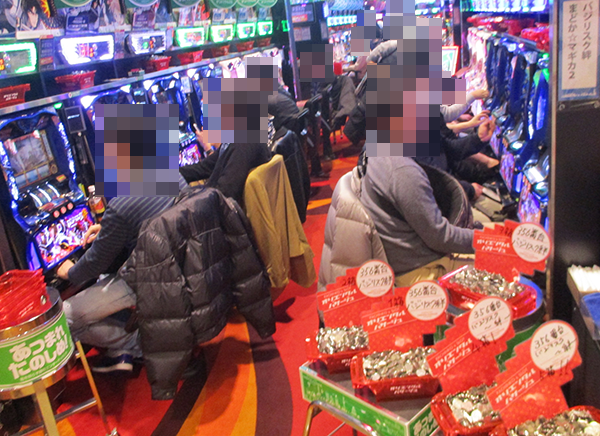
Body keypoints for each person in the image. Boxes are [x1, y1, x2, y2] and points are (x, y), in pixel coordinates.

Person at [56, 174, 189, 373]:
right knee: (105, 278)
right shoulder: (171, 175)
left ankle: (136, 344)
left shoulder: (121, 206)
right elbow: (147, 216)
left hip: (148, 278)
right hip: (184, 265)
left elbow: (94, 264)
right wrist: (110, 229)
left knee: (61, 318)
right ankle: (128, 345)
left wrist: (69, 272)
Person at [360, 157, 475, 286]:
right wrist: (487, 241)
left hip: (404, 260)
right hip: (422, 270)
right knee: (493, 262)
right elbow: (440, 238)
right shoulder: (403, 172)